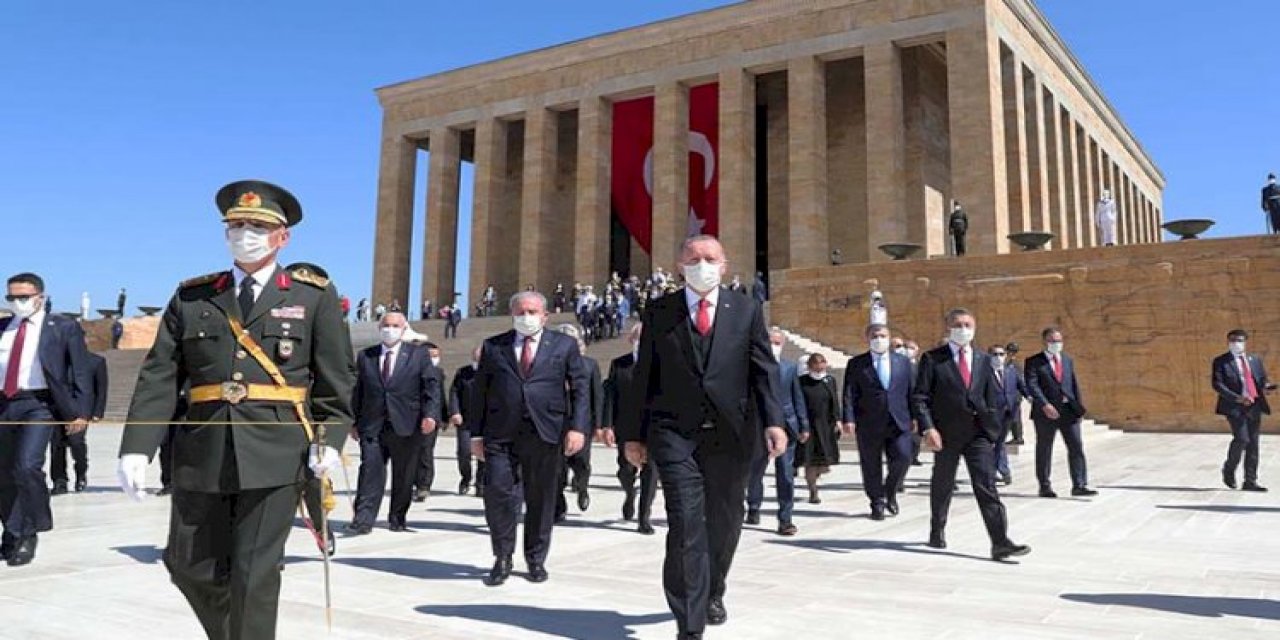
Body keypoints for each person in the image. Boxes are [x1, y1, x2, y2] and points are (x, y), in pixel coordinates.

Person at [116, 180, 355, 639]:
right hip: (203, 450)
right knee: (187, 564)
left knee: (253, 574)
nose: (245, 234)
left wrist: (329, 438)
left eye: (257, 227)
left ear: (282, 237)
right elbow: (160, 374)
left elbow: (336, 377)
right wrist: (137, 446)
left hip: (276, 453)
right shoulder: (194, 296)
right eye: (237, 225)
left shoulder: (312, 295)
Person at [620, 235, 786, 640]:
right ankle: (689, 623)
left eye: (710, 258)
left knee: (725, 520)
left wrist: (775, 421)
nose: (702, 265)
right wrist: (633, 435)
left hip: (732, 432)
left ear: (724, 265)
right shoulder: (660, 310)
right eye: (693, 258)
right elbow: (644, 376)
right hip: (674, 432)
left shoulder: (746, 310)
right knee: (684, 522)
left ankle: (714, 588)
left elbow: (764, 370)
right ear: (679, 265)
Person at [470, 291, 589, 586]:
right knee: (498, 494)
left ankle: (536, 558)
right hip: (501, 432)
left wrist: (578, 428)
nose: (526, 317)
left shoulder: (563, 345)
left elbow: (580, 388)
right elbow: (480, 392)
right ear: (512, 314)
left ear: (545, 316)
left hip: (545, 430)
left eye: (532, 311)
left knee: (541, 497)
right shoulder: (493, 346)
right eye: (521, 311)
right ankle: (502, 556)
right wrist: (476, 434)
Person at [912, 307, 1029, 561]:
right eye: (958, 325)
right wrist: (928, 428)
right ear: (948, 327)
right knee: (943, 483)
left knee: (986, 485)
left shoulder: (983, 359)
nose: (963, 329)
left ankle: (1000, 541)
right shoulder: (933, 359)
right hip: (946, 433)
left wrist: (993, 428)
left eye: (968, 325)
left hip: (978, 434)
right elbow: (920, 397)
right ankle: (937, 529)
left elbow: (990, 395)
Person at [0, 273, 93, 567]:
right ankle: (12, 531)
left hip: (39, 405)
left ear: (40, 297)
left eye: (23, 297)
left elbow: (80, 370)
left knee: (27, 466)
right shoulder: (3, 328)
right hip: (4, 404)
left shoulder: (62, 327)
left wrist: (81, 411)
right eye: (11, 297)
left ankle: (31, 529)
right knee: (3, 473)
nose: (17, 302)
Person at [348, 312, 440, 534]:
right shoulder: (366, 356)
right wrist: (353, 420)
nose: (390, 329)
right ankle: (363, 519)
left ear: (404, 328)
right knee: (370, 471)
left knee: (404, 474)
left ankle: (397, 517)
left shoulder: (418, 354)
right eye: (386, 325)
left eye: (395, 325)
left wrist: (430, 415)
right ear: (379, 328)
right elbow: (357, 390)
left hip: (407, 424)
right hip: (373, 424)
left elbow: (431, 386)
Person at [843, 323, 914, 520]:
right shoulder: (857, 363)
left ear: (889, 338)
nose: (879, 339)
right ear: (867, 338)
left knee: (904, 457)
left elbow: (911, 390)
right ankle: (877, 502)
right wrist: (848, 418)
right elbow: (849, 392)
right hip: (868, 421)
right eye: (875, 335)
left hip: (898, 419)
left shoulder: (903, 362)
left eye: (883, 335)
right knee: (871, 464)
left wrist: (916, 416)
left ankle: (890, 490)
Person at [746, 328, 808, 535]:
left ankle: (785, 518)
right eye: (770, 341)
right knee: (756, 472)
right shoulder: (751, 366)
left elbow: (797, 396)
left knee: (786, 474)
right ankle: (753, 506)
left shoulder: (789, 368)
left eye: (777, 342)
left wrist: (803, 424)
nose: (773, 346)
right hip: (759, 426)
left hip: (786, 426)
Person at [1024, 327, 1096, 498]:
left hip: (1068, 411)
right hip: (1046, 412)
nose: (1056, 344)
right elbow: (1032, 385)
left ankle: (1079, 484)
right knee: (1045, 448)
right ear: (1045, 342)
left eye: (1059, 340)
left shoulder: (1067, 360)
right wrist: (1045, 404)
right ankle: (1044, 486)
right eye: (1052, 340)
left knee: (1076, 446)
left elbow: (1073, 384)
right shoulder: (1034, 361)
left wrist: (1078, 408)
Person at [603, 322, 656, 534]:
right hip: (625, 426)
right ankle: (630, 493)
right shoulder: (619, 364)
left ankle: (644, 518)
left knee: (650, 472)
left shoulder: (660, 363)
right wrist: (607, 425)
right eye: (638, 338)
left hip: (652, 427)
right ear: (631, 340)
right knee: (625, 470)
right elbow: (610, 396)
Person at [554, 325, 603, 522]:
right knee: (557, 468)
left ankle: (582, 487)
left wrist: (599, 425)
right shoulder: (549, 364)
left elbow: (597, 396)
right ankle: (559, 505)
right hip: (556, 424)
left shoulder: (589, 365)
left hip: (582, 423)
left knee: (582, 463)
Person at [1213, 329, 1271, 491]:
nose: (1236, 343)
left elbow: (1261, 379)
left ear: (1245, 342)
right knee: (1242, 438)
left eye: (1239, 340)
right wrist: (1238, 398)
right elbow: (1218, 384)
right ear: (1228, 342)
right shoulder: (1221, 361)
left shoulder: (1254, 360)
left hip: (1254, 405)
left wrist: (1266, 387)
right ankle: (1229, 469)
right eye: (1233, 340)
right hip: (1234, 406)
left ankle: (1250, 481)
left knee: (1253, 443)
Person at [50, 347, 107, 494]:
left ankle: (81, 473)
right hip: (57, 410)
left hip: (81, 412)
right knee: (56, 445)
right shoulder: (56, 361)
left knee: (76, 443)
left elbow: (101, 390)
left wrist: (97, 412)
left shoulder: (96, 361)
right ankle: (59, 481)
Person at [796, 353, 840, 504]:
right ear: (810, 366)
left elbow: (834, 401)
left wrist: (837, 420)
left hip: (826, 426)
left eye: (822, 363)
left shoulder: (829, 380)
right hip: (809, 426)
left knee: (824, 463)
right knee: (810, 460)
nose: (820, 367)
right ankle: (813, 490)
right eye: (816, 364)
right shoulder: (802, 382)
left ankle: (816, 477)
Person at [413, 342, 449, 502]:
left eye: (436, 356)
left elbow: (439, 396)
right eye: (431, 356)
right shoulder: (410, 370)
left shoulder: (437, 372)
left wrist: (444, 416)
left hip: (431, 418)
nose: (434, 359)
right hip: (410, 418)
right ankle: (414, 482)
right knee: (412, 452)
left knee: (426, 451)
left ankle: (424, 486)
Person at [448, 345, 485, 496]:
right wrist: (455, 412)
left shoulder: (492, 371)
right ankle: (466, 479)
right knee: (464, 452)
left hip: (484, 420)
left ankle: (481, 484)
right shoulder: (463, 373)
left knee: (484, 453)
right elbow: (454, 393)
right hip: (465, 420)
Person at [988, 344, 1025, 485]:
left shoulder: (1011, 371)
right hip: (990, 413)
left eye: (1001, 354)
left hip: (1008, 413)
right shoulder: (984, 373)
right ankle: (1000, 471)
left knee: (1000, 442)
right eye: (995, 354)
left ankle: (1000, 470)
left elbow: (1022, 386)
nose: (998, 357)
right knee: (992, 442)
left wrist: (1032, 397)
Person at [1004, 342, 1027, 445]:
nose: (1010, 353)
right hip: (1008, 395)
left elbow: (1020, 381)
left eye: (1012, 351)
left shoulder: (1015, 365)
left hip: (1015, 395)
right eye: (1009, 351)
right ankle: (1016, 436)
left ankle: (1018, 437)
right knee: (1012, 416)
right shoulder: (1007, 364)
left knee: (1015, 417)